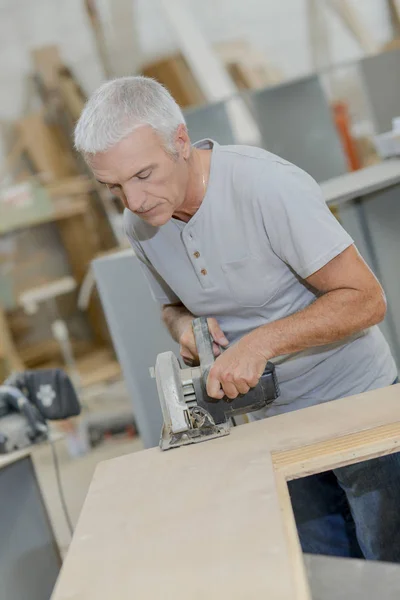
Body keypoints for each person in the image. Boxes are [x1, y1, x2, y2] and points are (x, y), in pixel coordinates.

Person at [74, 76, 400, 561]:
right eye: (114, 187)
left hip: (358, 408)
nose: (134, 201)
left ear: (180, 141)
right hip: (270, 429)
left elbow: (366, 298)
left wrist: (261, 342)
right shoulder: (140, 225)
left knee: (387, 568)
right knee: (325, 577)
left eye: (144, 174)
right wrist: (185, 328)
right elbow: (172, 307)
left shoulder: (266, 186)